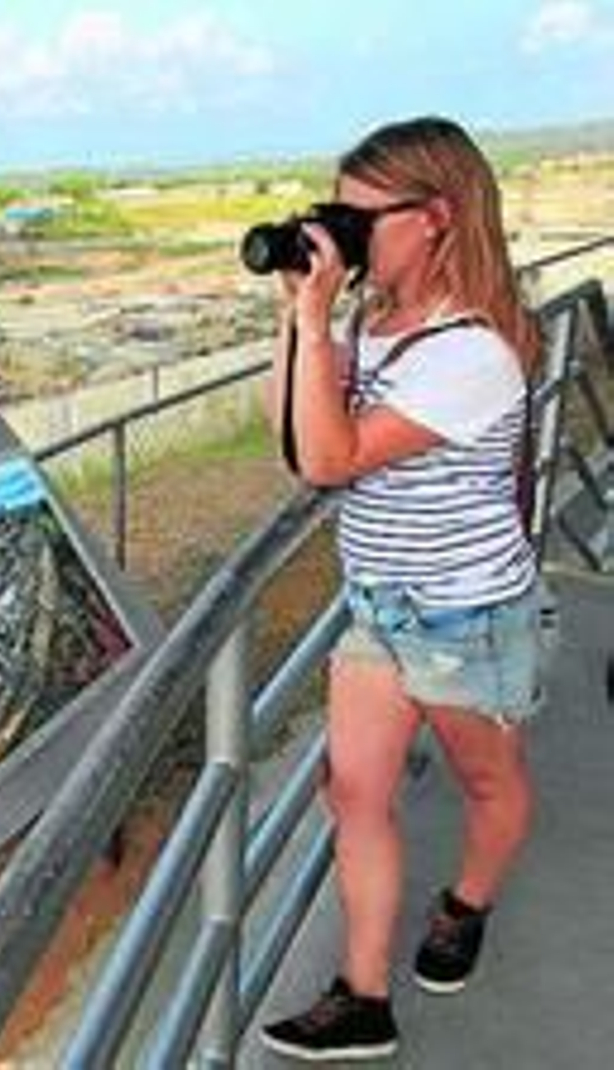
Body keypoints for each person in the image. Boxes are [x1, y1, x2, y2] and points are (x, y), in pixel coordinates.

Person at [257, 115, 542, 1062]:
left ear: (436, 218)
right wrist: (298, 314)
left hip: (466, 619)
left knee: (490, 783)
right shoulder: (376, 324)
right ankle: (365, 994)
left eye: (361, 214)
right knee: (355, 792)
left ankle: (467, 903)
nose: (344, 230)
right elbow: (295, 443)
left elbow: (333, 458)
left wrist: (313, 320)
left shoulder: (474, 353)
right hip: (381, 609)